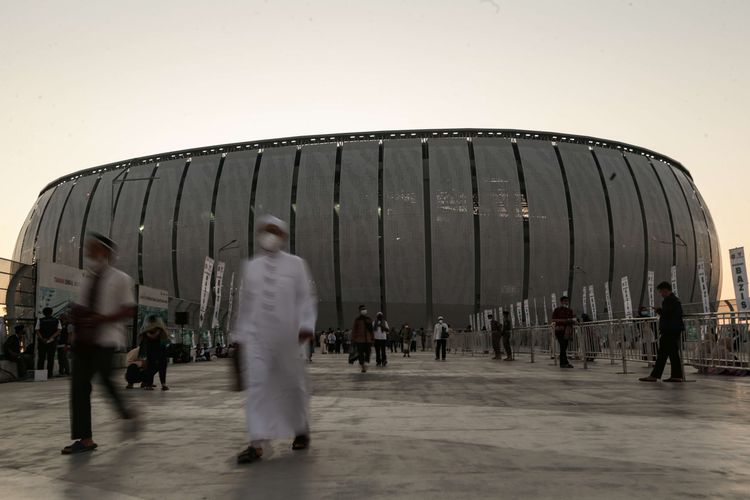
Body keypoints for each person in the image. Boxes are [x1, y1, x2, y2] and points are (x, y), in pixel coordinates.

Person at [234, 215, 317, 464]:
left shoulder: (296, 265)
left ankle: (300, 430)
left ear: (283, 236)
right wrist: (239, 336)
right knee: (257, 387)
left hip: (289, 338)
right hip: (258, 339)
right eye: (264, 230)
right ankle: (257, 443)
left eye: (273, 231)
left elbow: (306, 298)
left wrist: (306, 325)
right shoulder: (251, 267)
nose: (268, 235)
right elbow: (246, 305)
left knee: (293, 386)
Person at [63, 232, 138, 455]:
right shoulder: (87, 279)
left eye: (93, 248)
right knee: (78, 388)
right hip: (84, 342)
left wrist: (103, 319)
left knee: (106, 382)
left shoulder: (121, 279)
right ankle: (85, 439)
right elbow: (81, 307)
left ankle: (127, 413)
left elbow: (128, 309)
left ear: (104, 252)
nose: (88, 252)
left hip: (106, 340)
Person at [640, 282, 685, 382]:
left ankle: (655, 376)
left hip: (669, 331)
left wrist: (659, 310)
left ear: (665, 290)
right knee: (673, 354)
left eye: (661, 291)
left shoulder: (668, 300)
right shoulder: (676, 300)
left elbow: (667, 314)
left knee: (662, 354)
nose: (661, 294)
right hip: (675, 330)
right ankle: (676, 376)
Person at [140, 315, 170, 391]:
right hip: (153, 353)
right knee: (152, 368)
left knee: (158, 368)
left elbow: (166, 339)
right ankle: (152, 384)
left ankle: (161, 384)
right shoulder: (150, 332)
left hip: (158, 352)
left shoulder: (157, 332)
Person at [35, 307, 61, 379]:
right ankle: (49, 374)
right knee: (51, 358)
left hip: (42, 342)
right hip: (52, 342)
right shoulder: (56, 320)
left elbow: (37, 330)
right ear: (51, 312)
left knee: (41, 358)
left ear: (43, 313)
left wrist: (42, 339)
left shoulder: (40, 320)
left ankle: (40, 375)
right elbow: (59, 330)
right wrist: (51, 337)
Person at [552, 296, 576, 368]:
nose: (566, 302)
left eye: (567, 301)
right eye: (565, 301)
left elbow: (573, 318)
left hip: (567, 331)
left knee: (564, 346)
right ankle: (563, 363)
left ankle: (564, 362)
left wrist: (574, 320)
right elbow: (553, 320)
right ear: (561, 302)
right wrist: (565, 321)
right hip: (559, 330)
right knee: (563, 346)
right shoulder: (557, 310)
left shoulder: (570, 310)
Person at [351, 305, 374, 373]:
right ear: (360, 311)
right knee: (360, 354)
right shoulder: (357, 320)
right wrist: (353, 339)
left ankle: (365, 363)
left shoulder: (369, 319)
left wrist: (373, 338)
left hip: (368, 340)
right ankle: (363, 366)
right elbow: (354, 330)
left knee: (368, 353)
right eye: (362, 309)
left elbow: (371, 330)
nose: (364, 310)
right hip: (359, 340)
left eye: (365, 309)